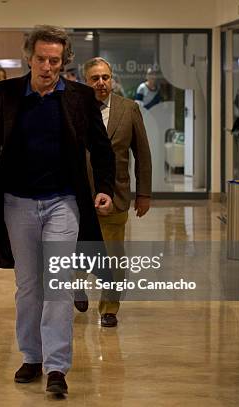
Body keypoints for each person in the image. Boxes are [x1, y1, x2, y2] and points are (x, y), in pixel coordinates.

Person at [0, 25, 115, 396]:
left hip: (63, 203)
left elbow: (101, 148)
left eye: (54, 60)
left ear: (63, 61)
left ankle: (57, 366)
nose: (47, 66)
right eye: (41, 59)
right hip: (17, 203)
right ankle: (32, 355)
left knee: (57, 284)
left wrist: (104, 188)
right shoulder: (5, 94)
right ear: (29, 58)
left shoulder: (78, 97)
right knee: (28, 286)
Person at [82, 57, 152, 327]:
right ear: (86, 81)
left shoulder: (129, 109)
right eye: (95, 78)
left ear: (112, 79)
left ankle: (109, 308)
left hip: (117, 195)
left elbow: (142, 154)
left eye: (105, 77)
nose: (101, 83)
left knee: (113, 255)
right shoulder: (76, 108)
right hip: (80, 197)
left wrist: (143, 193)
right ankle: (77, 287)